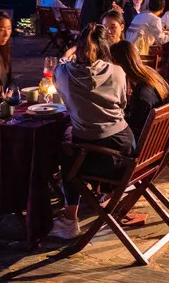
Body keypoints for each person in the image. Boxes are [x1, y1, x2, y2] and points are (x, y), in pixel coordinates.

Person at [50, 24, 131, 240]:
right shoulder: (118, 72)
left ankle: (70, 220)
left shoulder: (64, 73)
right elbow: (123, 104)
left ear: (78, 48)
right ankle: (106, 195)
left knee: (68, 154)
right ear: (105, 48)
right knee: (72, 144)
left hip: (99, 157)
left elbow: (57, 73)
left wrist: (68, 53)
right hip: (125, 149)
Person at [110, 40, 169, 138]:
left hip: (144, 139)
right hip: (161, 134)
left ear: (119, 65)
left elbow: (132, 123)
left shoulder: (142, 93)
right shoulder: (150, 74)